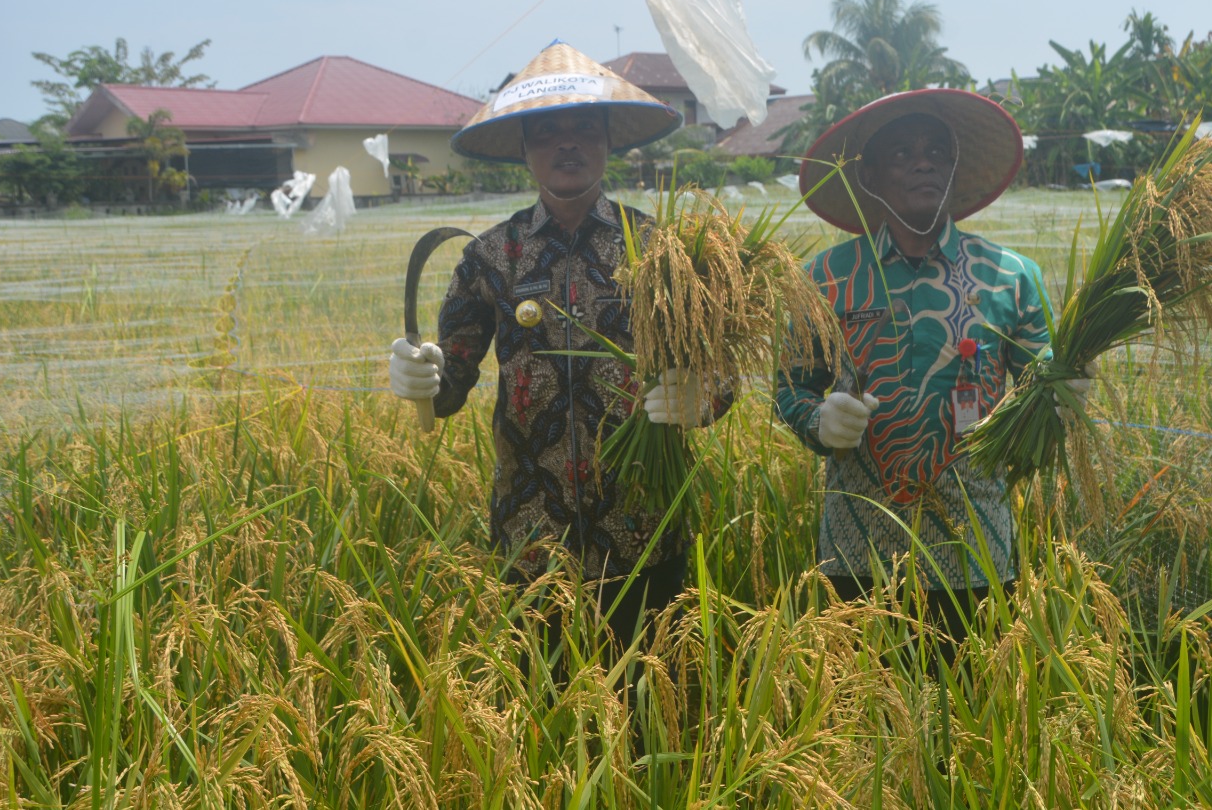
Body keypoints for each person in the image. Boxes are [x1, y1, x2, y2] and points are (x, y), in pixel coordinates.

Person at [387, 40, 715, 656]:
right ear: (524, 148)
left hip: (644, 521)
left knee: (657, 708)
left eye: (584, 128)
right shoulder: (489, 256)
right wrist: (423, 374)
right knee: (547, 717)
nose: (568, 143)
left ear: (608, 140)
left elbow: (713, 370)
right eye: (548, 131)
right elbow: (452, 380)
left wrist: (702, 395)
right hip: (530, 531)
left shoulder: (658, 247)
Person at [774, 88, 1087, 650]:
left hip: (977, 546)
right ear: (868, 175)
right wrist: (818, 420)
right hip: (857, 547)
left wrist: (1063, 390)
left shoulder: (1011, 277)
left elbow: (1039, 383)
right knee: (866, 721)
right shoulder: (823, 278)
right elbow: (789, 387)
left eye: (937, 152)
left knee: (977, 716)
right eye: (902, 153)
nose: (923, 162)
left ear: (953, 169)